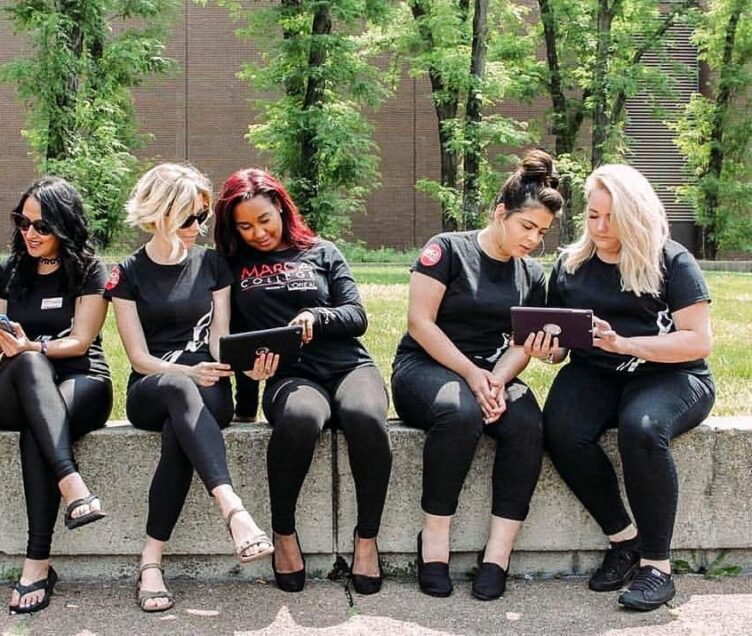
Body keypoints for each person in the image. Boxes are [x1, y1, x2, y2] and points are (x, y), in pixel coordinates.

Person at [390, 150, 563, 601]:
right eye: (527, 227)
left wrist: (498, 380)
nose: (533, 240)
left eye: (542, 233)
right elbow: (420, 323)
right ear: (500, 213)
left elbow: (523, 344)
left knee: (528, 423)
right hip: (426, 368)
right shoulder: (447, 248)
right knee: (460, 413)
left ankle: (497, 555)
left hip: (491, 375)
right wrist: (472, 374)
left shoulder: (531, 273)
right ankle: (434, 542)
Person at [541, 164, 714, 611]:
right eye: (592, 216)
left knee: (642, 428)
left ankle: (657, 568)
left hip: (671, 374)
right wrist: (549, 349)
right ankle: (625, 540)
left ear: (634, 214)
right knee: (560, 429)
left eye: (610, 217)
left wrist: (625, 343)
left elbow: (699, 340)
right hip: (596, 371)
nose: (599, 227)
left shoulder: (672, 260)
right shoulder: (570, 265)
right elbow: (561, 344)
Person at [213, 169, 391, 596]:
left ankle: (367, 539)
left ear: (281, 207)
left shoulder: (322, 252)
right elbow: (235, 338)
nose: (258, 232)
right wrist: (247, 392)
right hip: (289, 376)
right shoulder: (232, 267)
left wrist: (318, 316)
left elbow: (357, 316)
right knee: (301, 418)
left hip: (348, 365)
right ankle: (284, 534)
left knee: (365, 416)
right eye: (245, 226)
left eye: (264, 220)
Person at [107, 163, 274, 613]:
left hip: (209, 387)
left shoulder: (213, 264)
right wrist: (187, 373)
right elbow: (139, 358)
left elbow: (219, 342)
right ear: (160, 214)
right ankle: (233, 508)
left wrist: (243, 370)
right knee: (181, 393)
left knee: (178, 435)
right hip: (152, 387)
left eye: (202, 216)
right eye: (188, 218)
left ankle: (151, 563)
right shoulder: (127, 274)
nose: (198, 228)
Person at [0, 176, 113, 615]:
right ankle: (73, 486)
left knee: (43, 425)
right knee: (32, 370)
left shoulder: (90, 269)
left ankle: (37, 562)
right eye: (22, 222)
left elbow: (80, 340)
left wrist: (32, 345)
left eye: (41, 226)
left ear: (65, 227)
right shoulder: (11, 270)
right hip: (16, 384)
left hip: (81, 378)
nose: (29, 234)